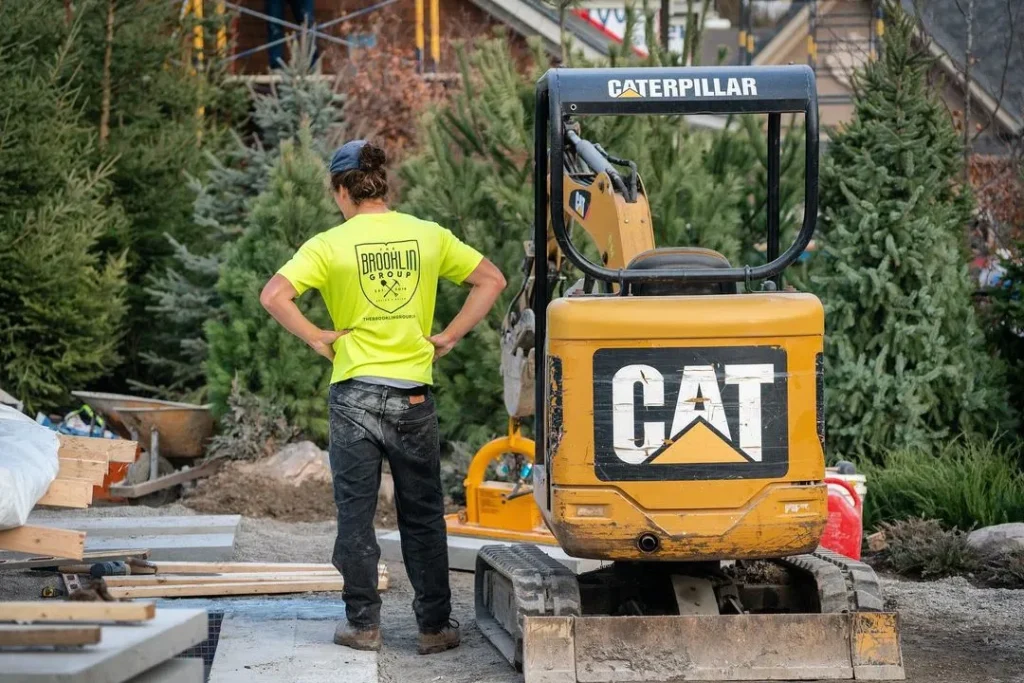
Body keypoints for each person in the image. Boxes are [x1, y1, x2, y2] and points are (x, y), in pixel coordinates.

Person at [259, 140, 506, 654]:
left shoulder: (328, 245)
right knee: (422, 514)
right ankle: (435, 627)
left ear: (340, 190)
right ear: (383, 185)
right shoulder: (427, 236)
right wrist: (451, 335)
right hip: (414, 395)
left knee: (356, 514)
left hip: (353, 396)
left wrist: (315, 335)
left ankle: (363, 625)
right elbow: (491, 279)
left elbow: (273, 294)